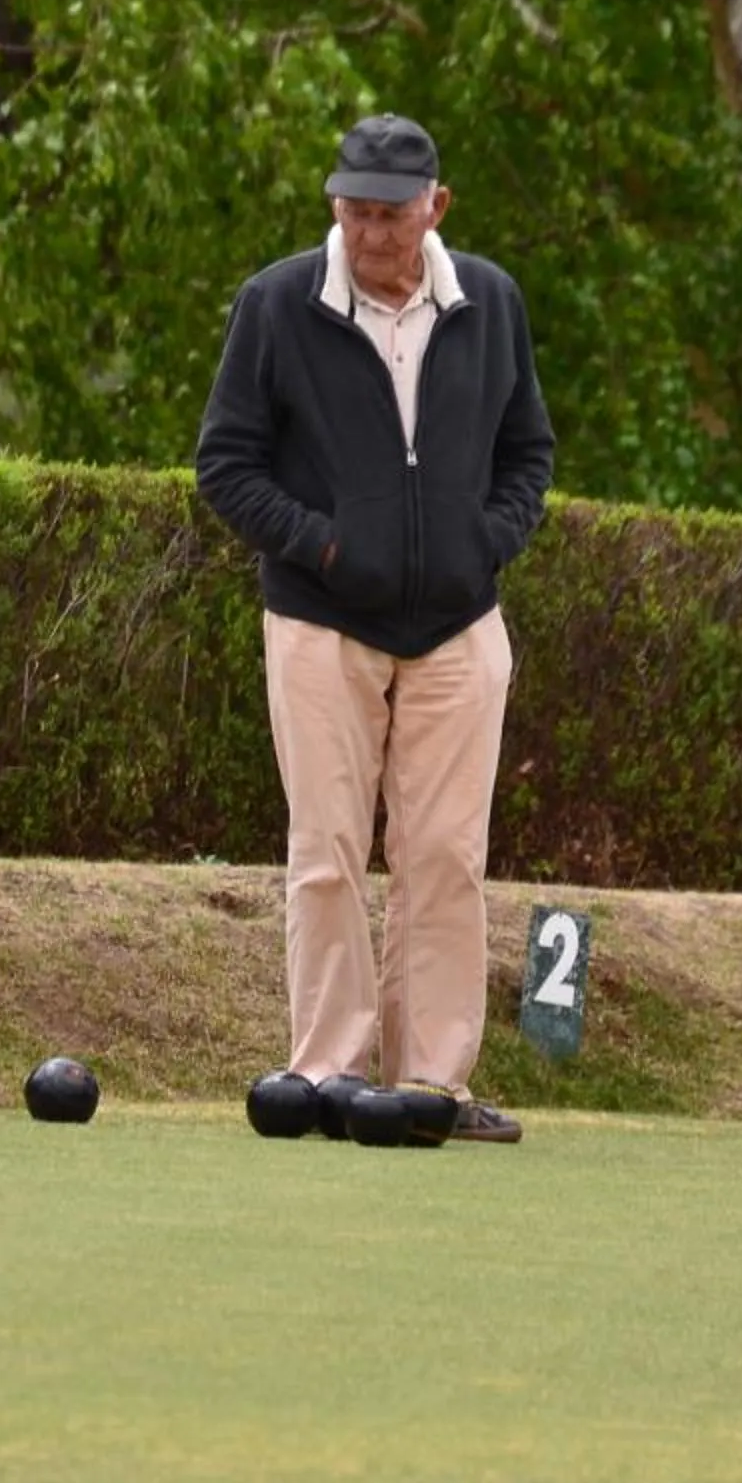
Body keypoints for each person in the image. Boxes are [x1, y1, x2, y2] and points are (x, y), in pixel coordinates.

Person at [194, 113, 555, 1140]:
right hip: (320, 618)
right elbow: (226, 463)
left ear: (435, 207)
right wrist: (326, 547)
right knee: (327, 850)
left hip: (459, 620)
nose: (369, 235)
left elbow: (529, 449)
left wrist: (483, 542)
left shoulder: (489, 300)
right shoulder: (277, 304)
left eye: (389, 216)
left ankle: (433, 1084)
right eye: (351, 212)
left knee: (446, 854)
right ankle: (325, 1071)